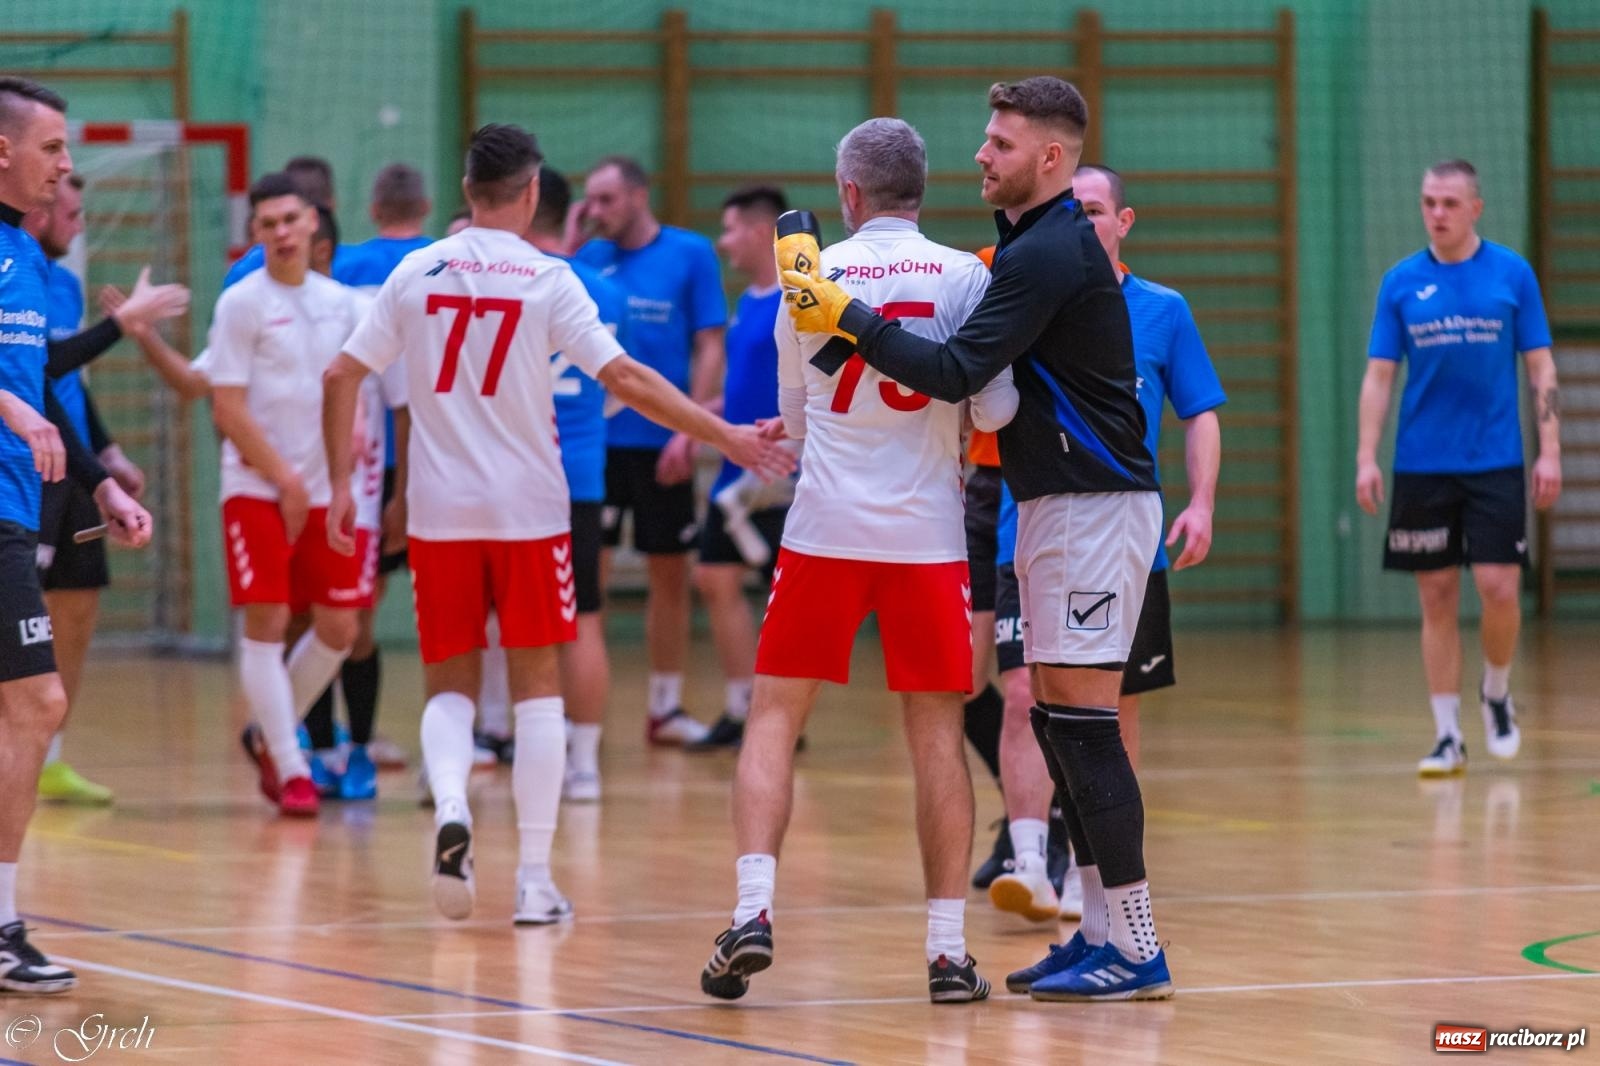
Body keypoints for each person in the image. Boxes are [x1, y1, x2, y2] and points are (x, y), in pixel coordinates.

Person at [321, 124, 792, 924]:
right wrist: (729, 437)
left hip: (440, 514)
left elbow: (340, 373)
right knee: (539, 693)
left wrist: (343, 485)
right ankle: (534, 881)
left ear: (467, 189)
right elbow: (629, 378)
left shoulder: (413, 270)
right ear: (533, 191)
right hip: (531, 512)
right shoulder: (549, 278)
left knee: (451, 689)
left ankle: (451, 814)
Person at [779, 77, 1174, 1002]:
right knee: (1051, 719)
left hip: (1091, 503)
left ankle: (1138, 943)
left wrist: (841, 313)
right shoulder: (1025, 244)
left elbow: (958, 371)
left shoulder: (1046, 252)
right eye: (985, 139)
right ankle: (1098, 933)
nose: (980, 156)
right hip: (1049, 503)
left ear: (1050, 158)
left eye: (999, 143)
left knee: (1085, 724)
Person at [700, 117, 1017, 1005]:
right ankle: (948, 953)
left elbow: (797, 429)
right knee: (936, 735)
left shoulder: (810, 275)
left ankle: (753, 913)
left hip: (824, 530)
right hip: (927, 538)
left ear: (847, 195)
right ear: (922, 188)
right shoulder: (965, 276)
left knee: (772, 716)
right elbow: (991, 414)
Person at [985, 164, 1225, 927]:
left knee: (1111, 718)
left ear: (1124, 222)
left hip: (1122, 540)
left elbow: (1201, 412)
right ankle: (1031, 860)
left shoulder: (1162, 310)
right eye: (1071, 210)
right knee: (1026, 696)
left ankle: (1112, 904)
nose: (1081, 222)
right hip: (1029, 530)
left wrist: (1205, 505)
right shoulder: (1029, 296)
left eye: (1094, 210)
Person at [0, 76, 154, 994]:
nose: (68, 164)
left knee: (27, 708)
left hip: (18, 508)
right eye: (54, 146)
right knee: (37, 704)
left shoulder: (24, 256)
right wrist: (13, 408)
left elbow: (45, 385)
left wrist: (104, 483)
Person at [1356, 159, 1561, 776]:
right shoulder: (1400, 283)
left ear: (1475, 208)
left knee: (1499, 588)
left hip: (1495, 459)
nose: (1436, 214)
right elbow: (1379, 377)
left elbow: (1541, 369)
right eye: (1428, 202)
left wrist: (1550, 449)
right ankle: (1447, 735)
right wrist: (1367, 455)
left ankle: (1495, 691)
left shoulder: (1512, 275)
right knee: (1437, 595)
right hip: (1424, 464)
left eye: (1449, 203)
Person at [207, 172, 370, 817]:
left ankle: (268, 736)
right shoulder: (241, 303)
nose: (280, 233)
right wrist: (284, 478)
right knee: (269, 620)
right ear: (255, 233)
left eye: (290, 221)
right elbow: (226, 406)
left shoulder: (342, 305)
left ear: (312, 226)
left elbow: (341, 399)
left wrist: (338, 482)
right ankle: (294, 766)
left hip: (322, 488)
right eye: (267, 224)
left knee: (339, 626)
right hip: (255, 486)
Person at [25, 172, 172, 805]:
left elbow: (66, 384)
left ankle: (50, 758)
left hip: (74, 463)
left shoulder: (65, 284)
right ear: (38, 210)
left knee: (78, 607)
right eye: (73, 213)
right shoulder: (16, 272)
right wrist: (124, 325)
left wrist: (106, 453)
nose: (81, 224)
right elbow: (45, 364)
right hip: (26, 467)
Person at [576, 156, 728, 745]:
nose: (596, 212)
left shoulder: (689, 254)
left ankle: (664, 707)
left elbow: (709, 345)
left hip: (662, 441)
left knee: (670, 574)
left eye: (606, 199)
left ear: (638, 197)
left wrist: (687, 431)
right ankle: (579, 717)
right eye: (588, 201)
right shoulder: (586, 259)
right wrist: (570, 242)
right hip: (599, 448)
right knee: (592, 576)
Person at [299, 164, 433, 790]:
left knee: (352, 621)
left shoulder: (363, 297)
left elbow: (401, 402)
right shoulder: (262, 304)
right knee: (317, 621)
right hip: (299, 488)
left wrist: (400, 494)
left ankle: (354, 745)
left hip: (370, 490)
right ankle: (317, 745)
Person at [688, 184, 792, 751]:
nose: (724, 242)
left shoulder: (796, 301)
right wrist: (696, 421)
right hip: (738, 469)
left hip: (777, 472)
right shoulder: (749, 302)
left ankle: (784, 714)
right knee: (713, 578)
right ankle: (743, 704)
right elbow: (742, 390)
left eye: (730, 230)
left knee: (788, 600)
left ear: (758, 231)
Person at [223, 155, 342, 288]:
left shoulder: (353, 276)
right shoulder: (242, 284)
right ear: (256, 229)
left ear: (312, 218)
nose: (282, 232)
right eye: (270, 223)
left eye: (291, 219)